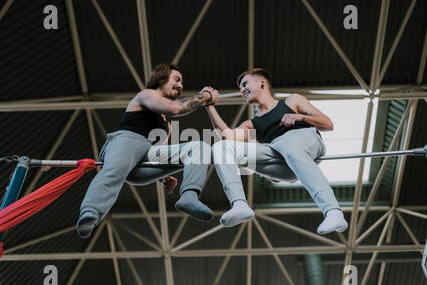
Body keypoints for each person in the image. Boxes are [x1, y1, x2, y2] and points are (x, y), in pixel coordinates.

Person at [77, 63, 219, 238]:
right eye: (176, 79)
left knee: (199, 147)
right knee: (114, 171)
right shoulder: (147, 95)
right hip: (127, 141)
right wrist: (205, 95)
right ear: (161, 78)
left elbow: (153, 152)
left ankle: (189, 196)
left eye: (181, 82)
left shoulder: (166, 125)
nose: (180, 86)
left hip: (143, 158)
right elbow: (176, 108)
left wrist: (162, 176)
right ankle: (90, 212)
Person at [204, 68, 348, 234]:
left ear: (262, 82)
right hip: (281, 159)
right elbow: (228, 137)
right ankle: (239, 204)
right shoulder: (252, 124)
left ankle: (333, 212)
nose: (242, 90)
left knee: (289, 147)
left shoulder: (291, 101)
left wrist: (301, 117)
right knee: (221, 147)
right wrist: (210, 106)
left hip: (303, 141)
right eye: (240, 88)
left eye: (245, 84)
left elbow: (327, 124)